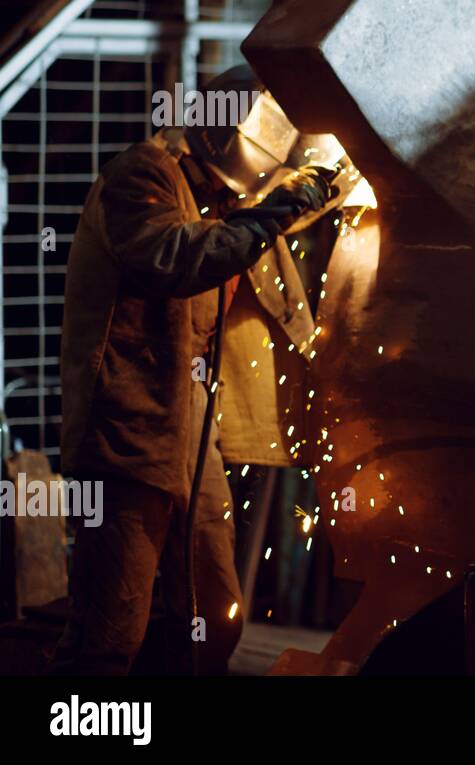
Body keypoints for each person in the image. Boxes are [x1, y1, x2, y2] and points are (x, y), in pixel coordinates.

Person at [53, 67, 336, 675]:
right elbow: (176, 258)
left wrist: (330, 180)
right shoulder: (141, 176)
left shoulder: (230, 198)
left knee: (213, 613)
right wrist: (278, 208)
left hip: (192, 435)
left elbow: (252, 227)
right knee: (110, 628)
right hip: (123, 433)